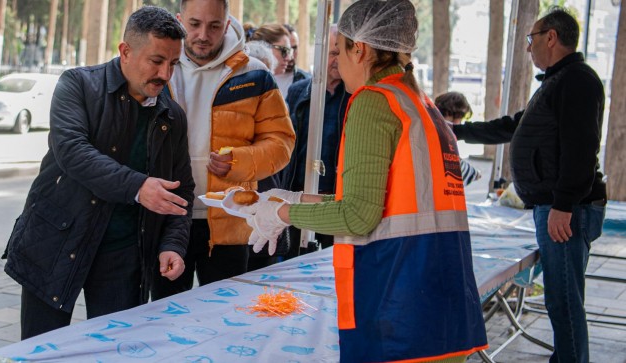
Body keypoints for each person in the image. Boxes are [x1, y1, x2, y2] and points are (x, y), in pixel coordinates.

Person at [240, 1, 488, 361]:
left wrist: (282, 216)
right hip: (442, 305)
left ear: (363, 49)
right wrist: (294, 200)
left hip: (399, 305)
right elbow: (385, 204)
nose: (336, 61)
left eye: (340, 50)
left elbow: (357, 216)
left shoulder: (374, 101)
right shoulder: (421, 104)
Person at [2, 6, 194, 339]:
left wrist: (172, 245)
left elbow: (181, 191)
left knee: (115, 349)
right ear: (125, 52)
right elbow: (72, 152)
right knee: (39, 350)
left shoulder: (172, 115)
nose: (165, 74)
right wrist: (138, 186)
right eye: (156, 61)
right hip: (57, 241)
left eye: (173, 64)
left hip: (124, 256)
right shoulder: (77, 84)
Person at [452, 7, 606, 363]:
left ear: (550, 37)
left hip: (567, 209)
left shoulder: (577, 81)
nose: (527, 47)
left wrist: (563, 205)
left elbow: (581, 149)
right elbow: (512, 126)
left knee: (564, 302)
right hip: (556, 206)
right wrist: (456, 131)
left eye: (531, 38)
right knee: (560, 301)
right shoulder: (557, 82)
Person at [153, 0, 295, 298]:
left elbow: (282, 142)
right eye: (194, 24)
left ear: (228, 24)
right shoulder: (158, 68)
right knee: (162, 317)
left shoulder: (255, 74)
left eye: (214, 25)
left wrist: (238, 161)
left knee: (226, 316)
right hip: (165, 218)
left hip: (231, 219)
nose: (203, 34)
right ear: (180, 21)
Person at [281, 24, 350, 254]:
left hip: (337, 201)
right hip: (299, 196)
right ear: (319, 54)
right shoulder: (298, 91)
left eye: (342, 54)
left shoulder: (354, 97)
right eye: (333, 53)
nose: (337, 60)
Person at [434, 91, 481, 186]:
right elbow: (452, 164)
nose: (460, 123)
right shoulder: (442, 133)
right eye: (461, 117)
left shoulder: (431, 125)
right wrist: (474, 173)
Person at [250, 24, 299, 99]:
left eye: (290, 51)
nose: (289, 58)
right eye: (284, 50)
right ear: (264, 47)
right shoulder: (245, 82)